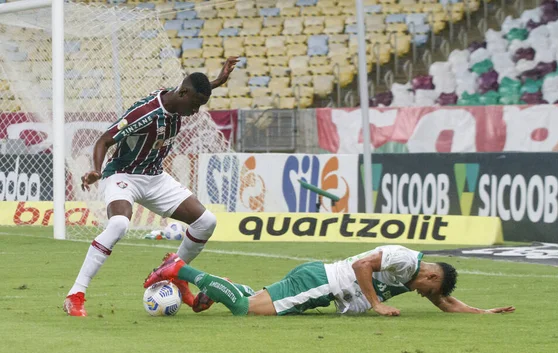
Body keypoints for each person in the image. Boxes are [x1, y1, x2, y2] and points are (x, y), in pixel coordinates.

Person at [63, 57, 240, 317]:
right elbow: (104, 139)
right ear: (184, 94)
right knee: (119, 225)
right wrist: (96, 170)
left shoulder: (181, 98)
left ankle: (176, 271)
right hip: (123, 175)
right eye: (195, 105)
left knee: (206, 222)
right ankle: (75, 294)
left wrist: (218, 81)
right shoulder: (146, 113)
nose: (196, 112)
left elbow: (193, 89)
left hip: (155, 177)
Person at [144, 246, 516, 316]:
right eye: (428, 289)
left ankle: (204, 292)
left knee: (248, 299)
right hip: (322, 282)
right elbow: (362, 267)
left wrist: (482, 312)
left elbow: (445, 302)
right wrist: (377, 303)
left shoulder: (418, 278)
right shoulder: (404, 260)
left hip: (317, 282)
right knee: (243, 311)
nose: (426, 295)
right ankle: (181, 269)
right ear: (430, 275)